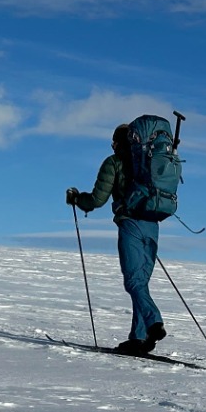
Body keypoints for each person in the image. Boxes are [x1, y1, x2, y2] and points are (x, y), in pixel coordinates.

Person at [66, 124, 166, 355]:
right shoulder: (150, 161)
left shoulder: (114, 162)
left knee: (133, 282)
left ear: (119, 142)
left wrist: (77, 200)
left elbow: (97, 199)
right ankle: (139, 338)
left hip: (131, 224)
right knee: (141, 282)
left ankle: (154, 323)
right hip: (153, 225)